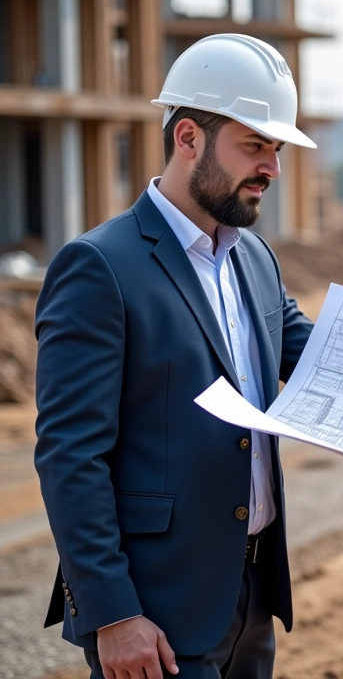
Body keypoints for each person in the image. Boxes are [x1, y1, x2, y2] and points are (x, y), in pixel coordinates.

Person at [34, 33, 315, 679]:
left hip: (250, 602)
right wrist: (112, 614)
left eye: (277, 149)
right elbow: (70, 454)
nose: (272, 167)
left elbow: (328, 360)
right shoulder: (100, 267)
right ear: (188, 138)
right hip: (155, 618)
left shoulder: (256, 260)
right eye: (255, 145)